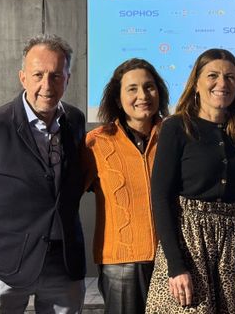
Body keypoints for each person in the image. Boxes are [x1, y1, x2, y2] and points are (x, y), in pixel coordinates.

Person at [0, 34, 86, 313]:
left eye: (56, 76)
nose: (46, 86)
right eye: (38, 75)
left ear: (67, 79)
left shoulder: (75, 120)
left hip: (63, 266)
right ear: (23, 77)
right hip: (4, 268)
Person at [146, 48, 235, 314]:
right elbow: (160, 197)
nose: (222, 83)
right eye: (213, 75)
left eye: (230, 77)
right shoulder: (176, 127)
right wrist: (176, 266)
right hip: (190, 244)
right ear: (196, 83)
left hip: (233, 246)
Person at [83, 58, 169, 313]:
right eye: (132, 89)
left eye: (149, 87)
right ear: (118, 99)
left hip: (172, 260)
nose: (143, 95)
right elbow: (65, 192)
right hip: (121, 264)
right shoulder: (96, 143)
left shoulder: (176, 136)